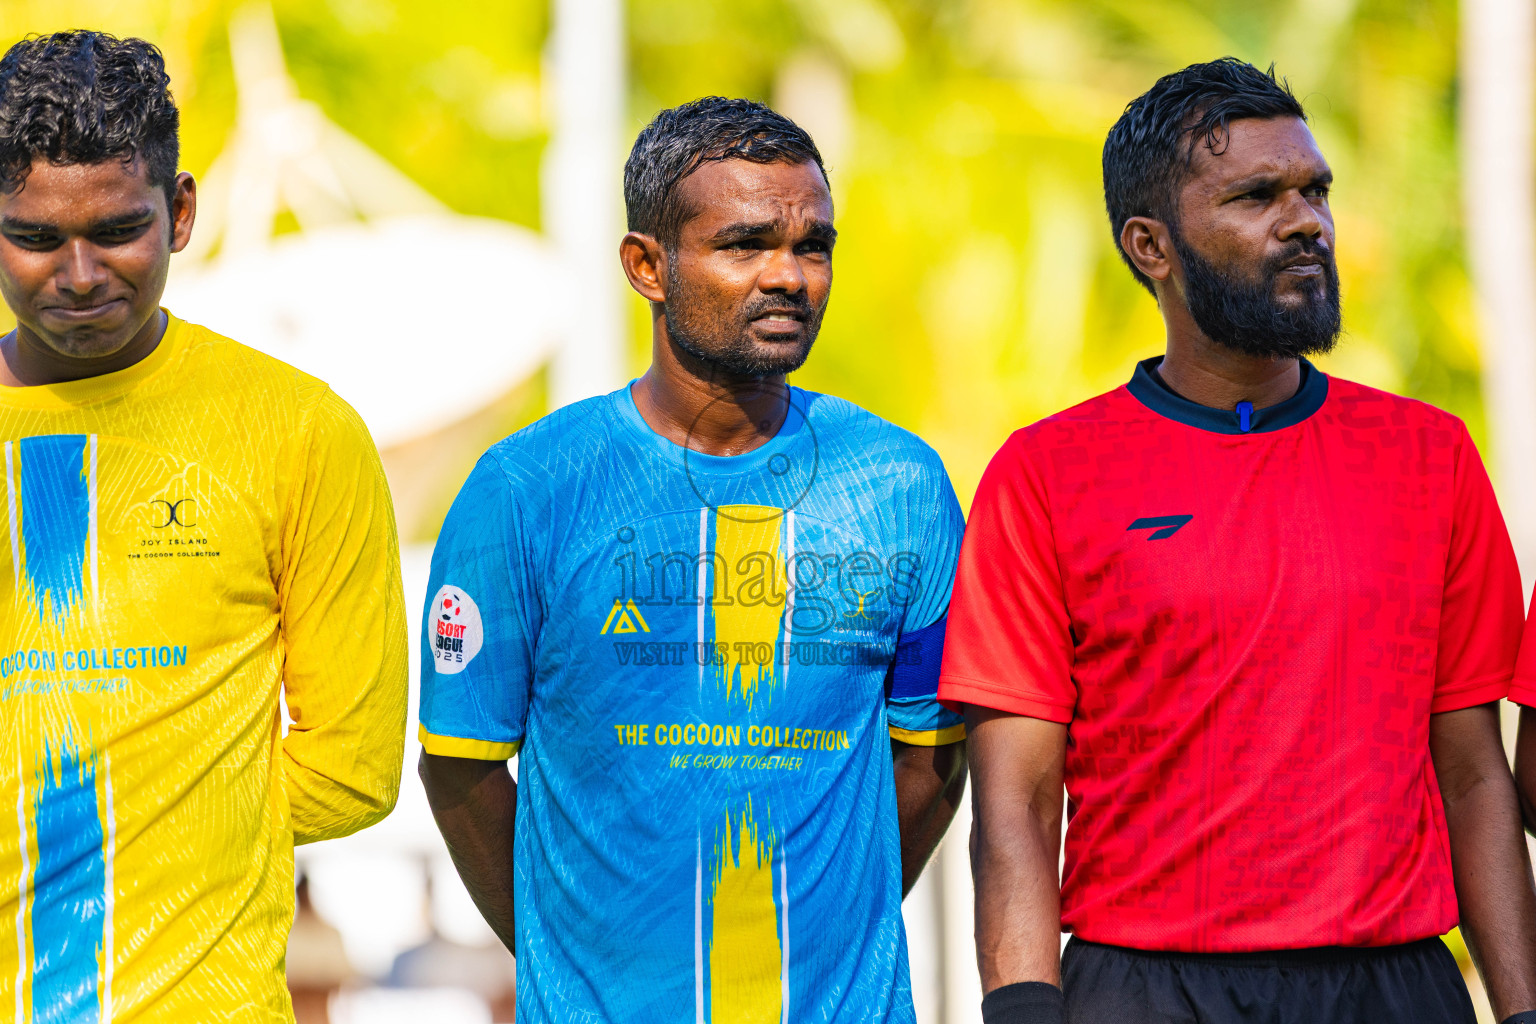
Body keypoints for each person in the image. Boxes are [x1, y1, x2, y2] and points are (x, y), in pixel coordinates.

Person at [939, 58, 1536, 1024]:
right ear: (1151, 246)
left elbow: (1474, 774)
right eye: (1258, 196)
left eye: (1316, 191)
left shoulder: (1431, 456)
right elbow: (1016, 802)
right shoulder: (1047, 474)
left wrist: (1522, 1011)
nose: (1307, 222)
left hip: (1394, 988)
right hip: (1141, 989)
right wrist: (1020, 1007)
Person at [418, 96, 967, 1023]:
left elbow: (930, 763)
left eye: (813, 246)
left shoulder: (900, 486)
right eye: (745, 244)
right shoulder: (530, 489)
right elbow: (460, 767)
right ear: (647, 267)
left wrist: (830, 934)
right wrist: (577, 957)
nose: (789, 276)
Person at [0, 32, 407, 1022]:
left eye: (119, 229)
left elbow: (355, 766)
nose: (83, 272)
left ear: (181, 212)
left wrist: (140, 817)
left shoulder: (298, 431)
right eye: (38, 237)